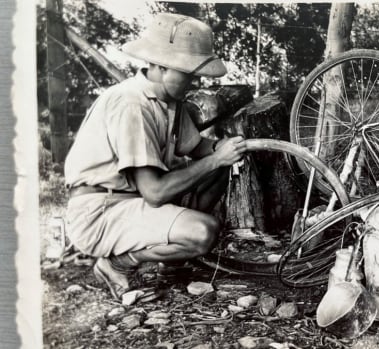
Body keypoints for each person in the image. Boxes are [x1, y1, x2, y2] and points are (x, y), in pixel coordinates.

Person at [64, 13, 246, 300]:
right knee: (203, 232)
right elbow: (155, 192)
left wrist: (228, 148)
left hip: (129, 201)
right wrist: (216, 159)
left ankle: (171, 259)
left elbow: (198, 148)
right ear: (161, 66)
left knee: (219, 169)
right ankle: (116, 264)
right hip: (100, 211)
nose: (195, 81)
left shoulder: (170, 101)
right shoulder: (131, 104)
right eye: (189, 73)